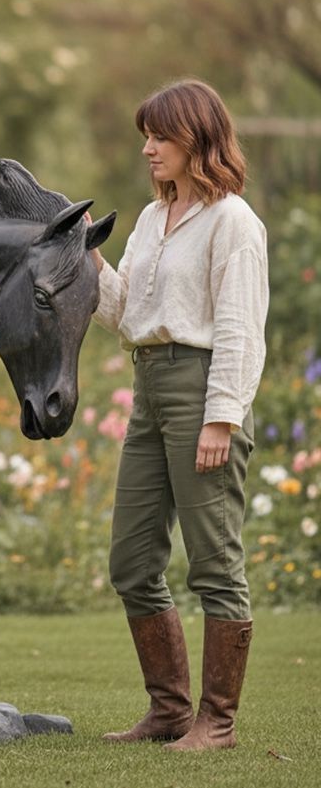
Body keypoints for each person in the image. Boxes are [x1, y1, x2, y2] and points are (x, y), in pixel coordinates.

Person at [88, 77, 269, 751]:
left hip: (202, 392)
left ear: (196, 138)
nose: (147, 149)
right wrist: (87, 253)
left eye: (159, 136)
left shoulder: (233, 223)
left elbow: (241, 328)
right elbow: (124, 314)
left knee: (214, 564)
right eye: (146, 135)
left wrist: (221, 417)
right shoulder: (148, 219)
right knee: (132, 559)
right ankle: (168, 713)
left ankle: (215, 721)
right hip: (150, 390)